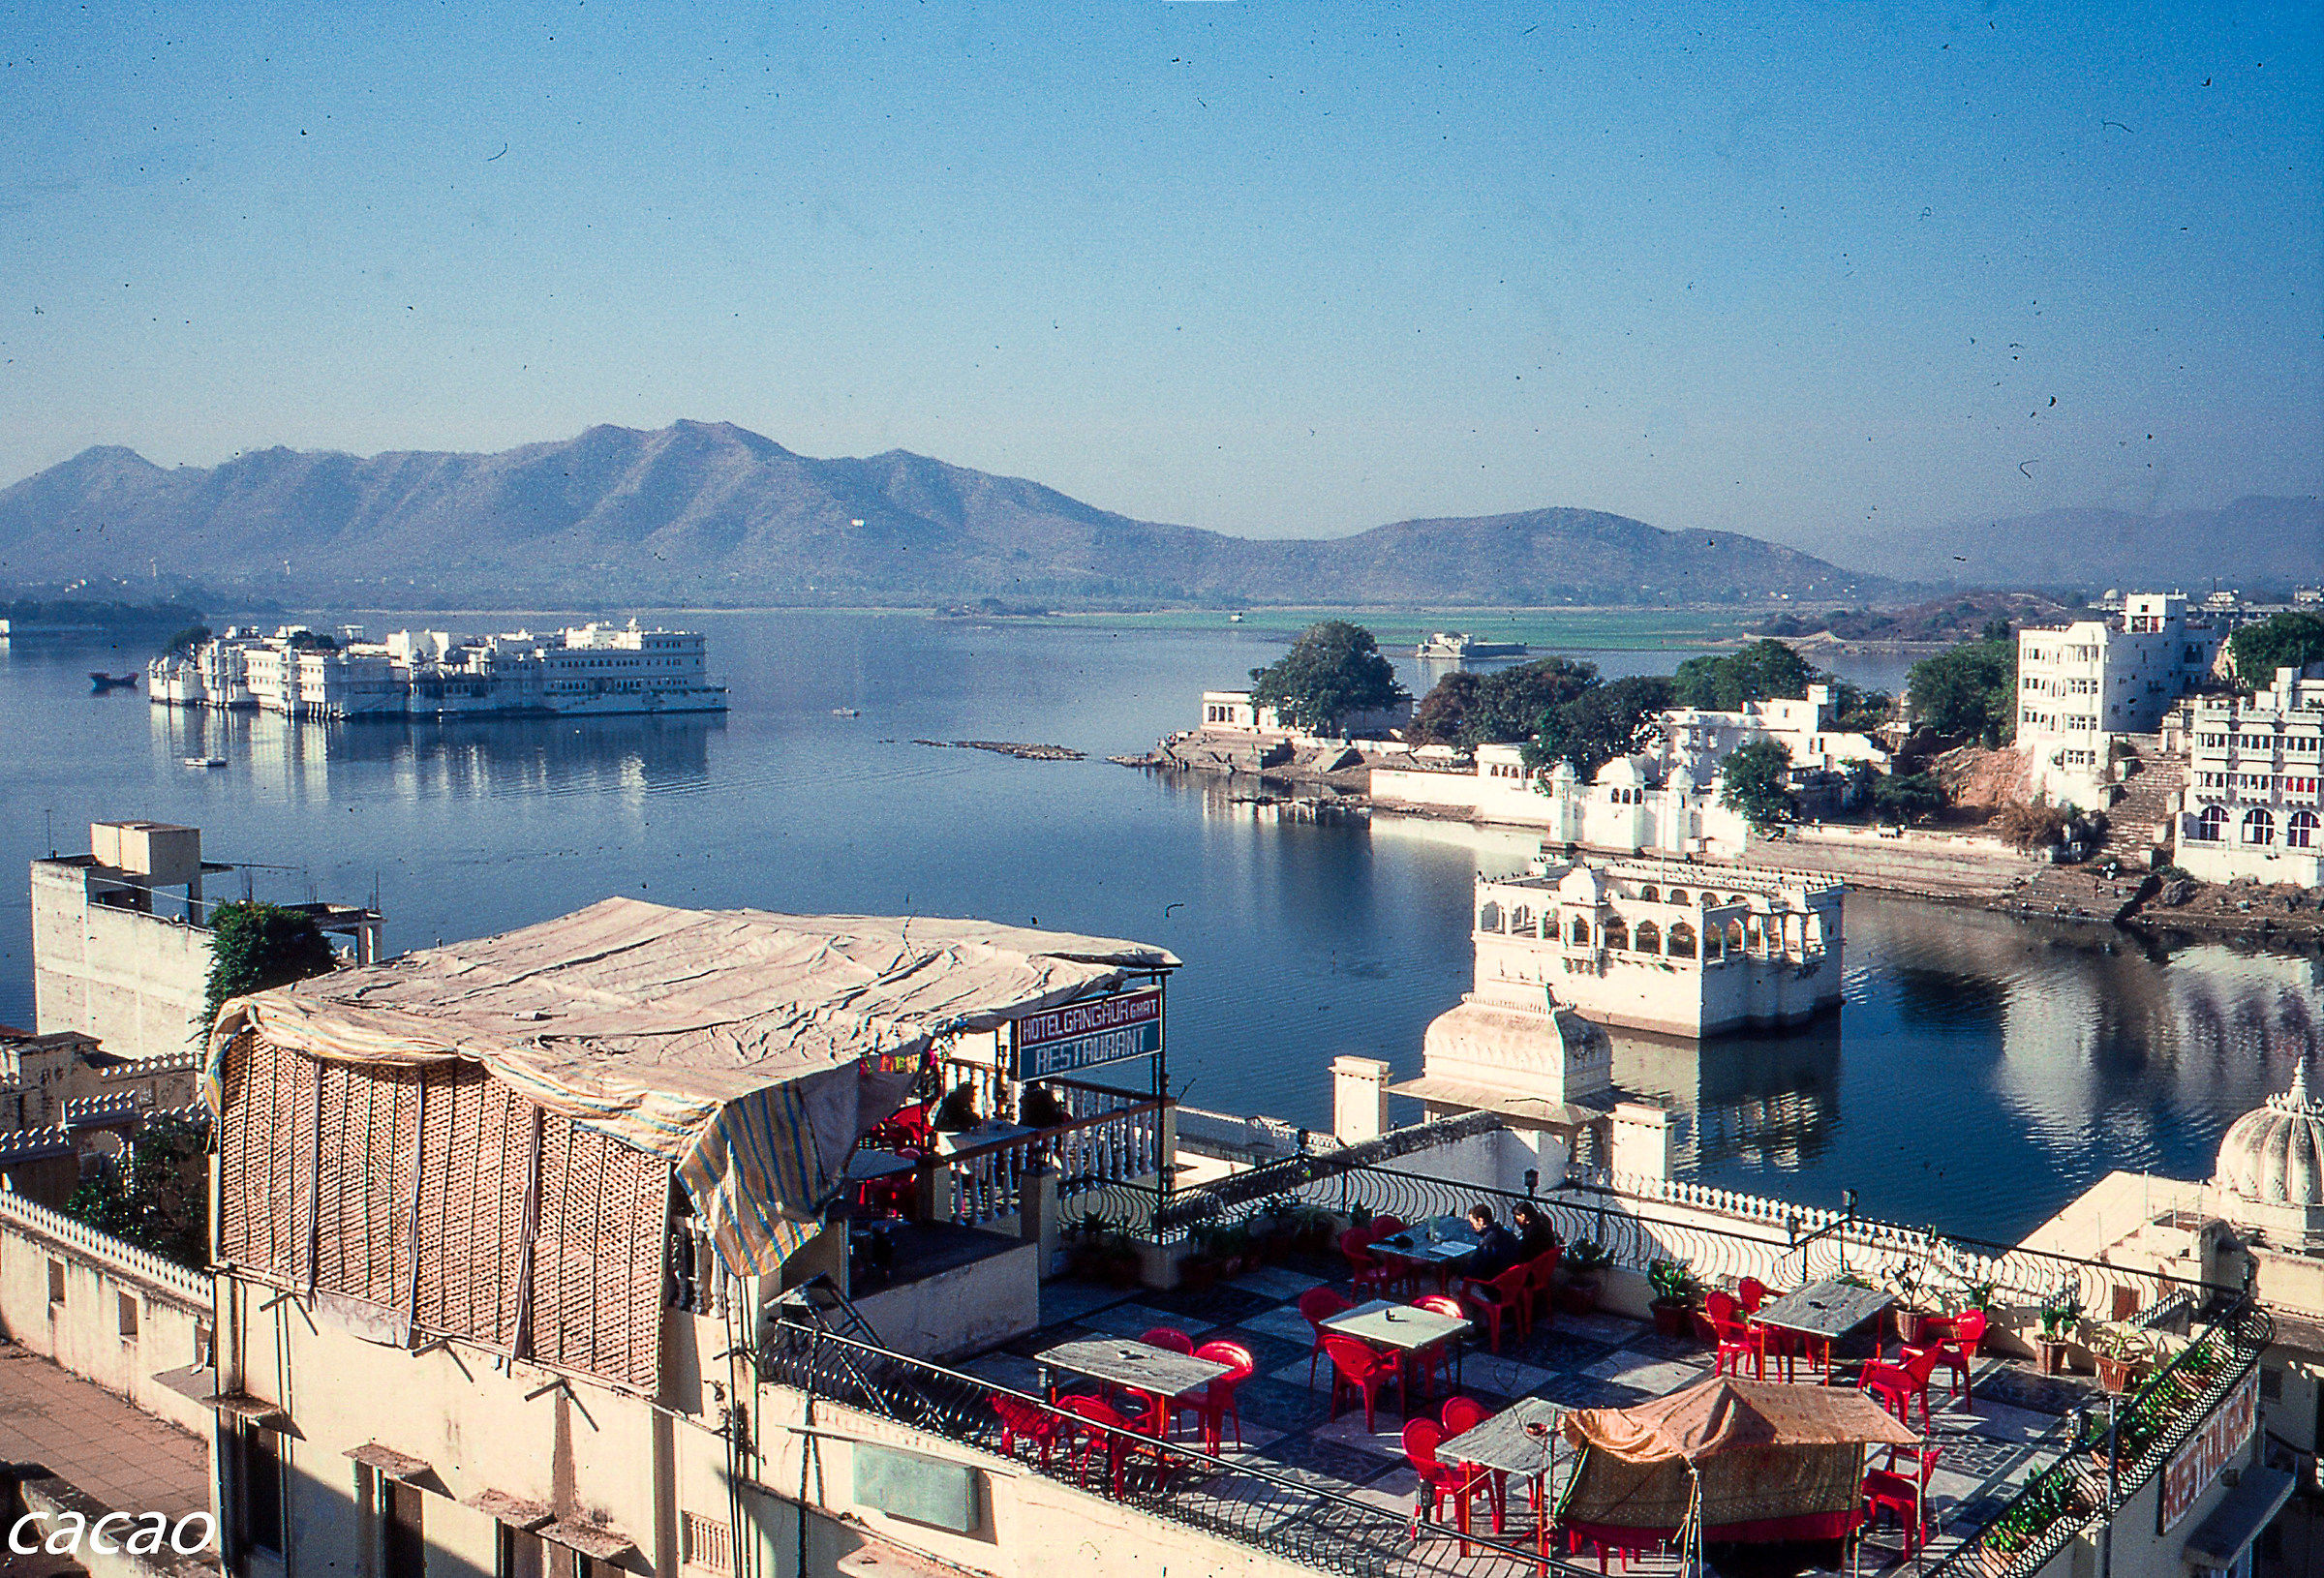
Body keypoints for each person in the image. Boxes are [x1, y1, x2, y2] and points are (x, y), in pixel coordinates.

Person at [1463, 1203, 1521, 1282]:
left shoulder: (1486, 1242)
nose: (1472, 1227)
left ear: (1480, 1221)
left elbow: (1474, 1270)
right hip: (1510, 1277)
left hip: (1493, 1282)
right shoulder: (1507, 1233)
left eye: (1472, 1223)